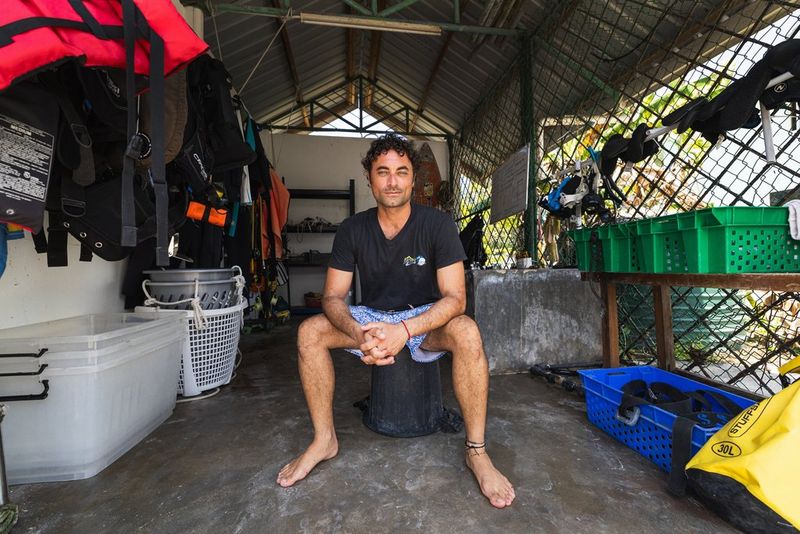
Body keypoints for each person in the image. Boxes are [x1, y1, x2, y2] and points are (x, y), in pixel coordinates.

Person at [276, 133, 515, 509]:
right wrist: (359, 332)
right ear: (370, 179)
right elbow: (333, 297)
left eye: (401, 172)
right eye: (383, 172)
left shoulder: (438, 225)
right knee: (310, 332)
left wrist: (404, 330)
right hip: (371, 318)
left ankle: (477, 451)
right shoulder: (353, 229)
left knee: (467, 331)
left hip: (423, 320)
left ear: (413, 179)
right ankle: (324, 440)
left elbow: (456, 298)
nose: (392, 181)